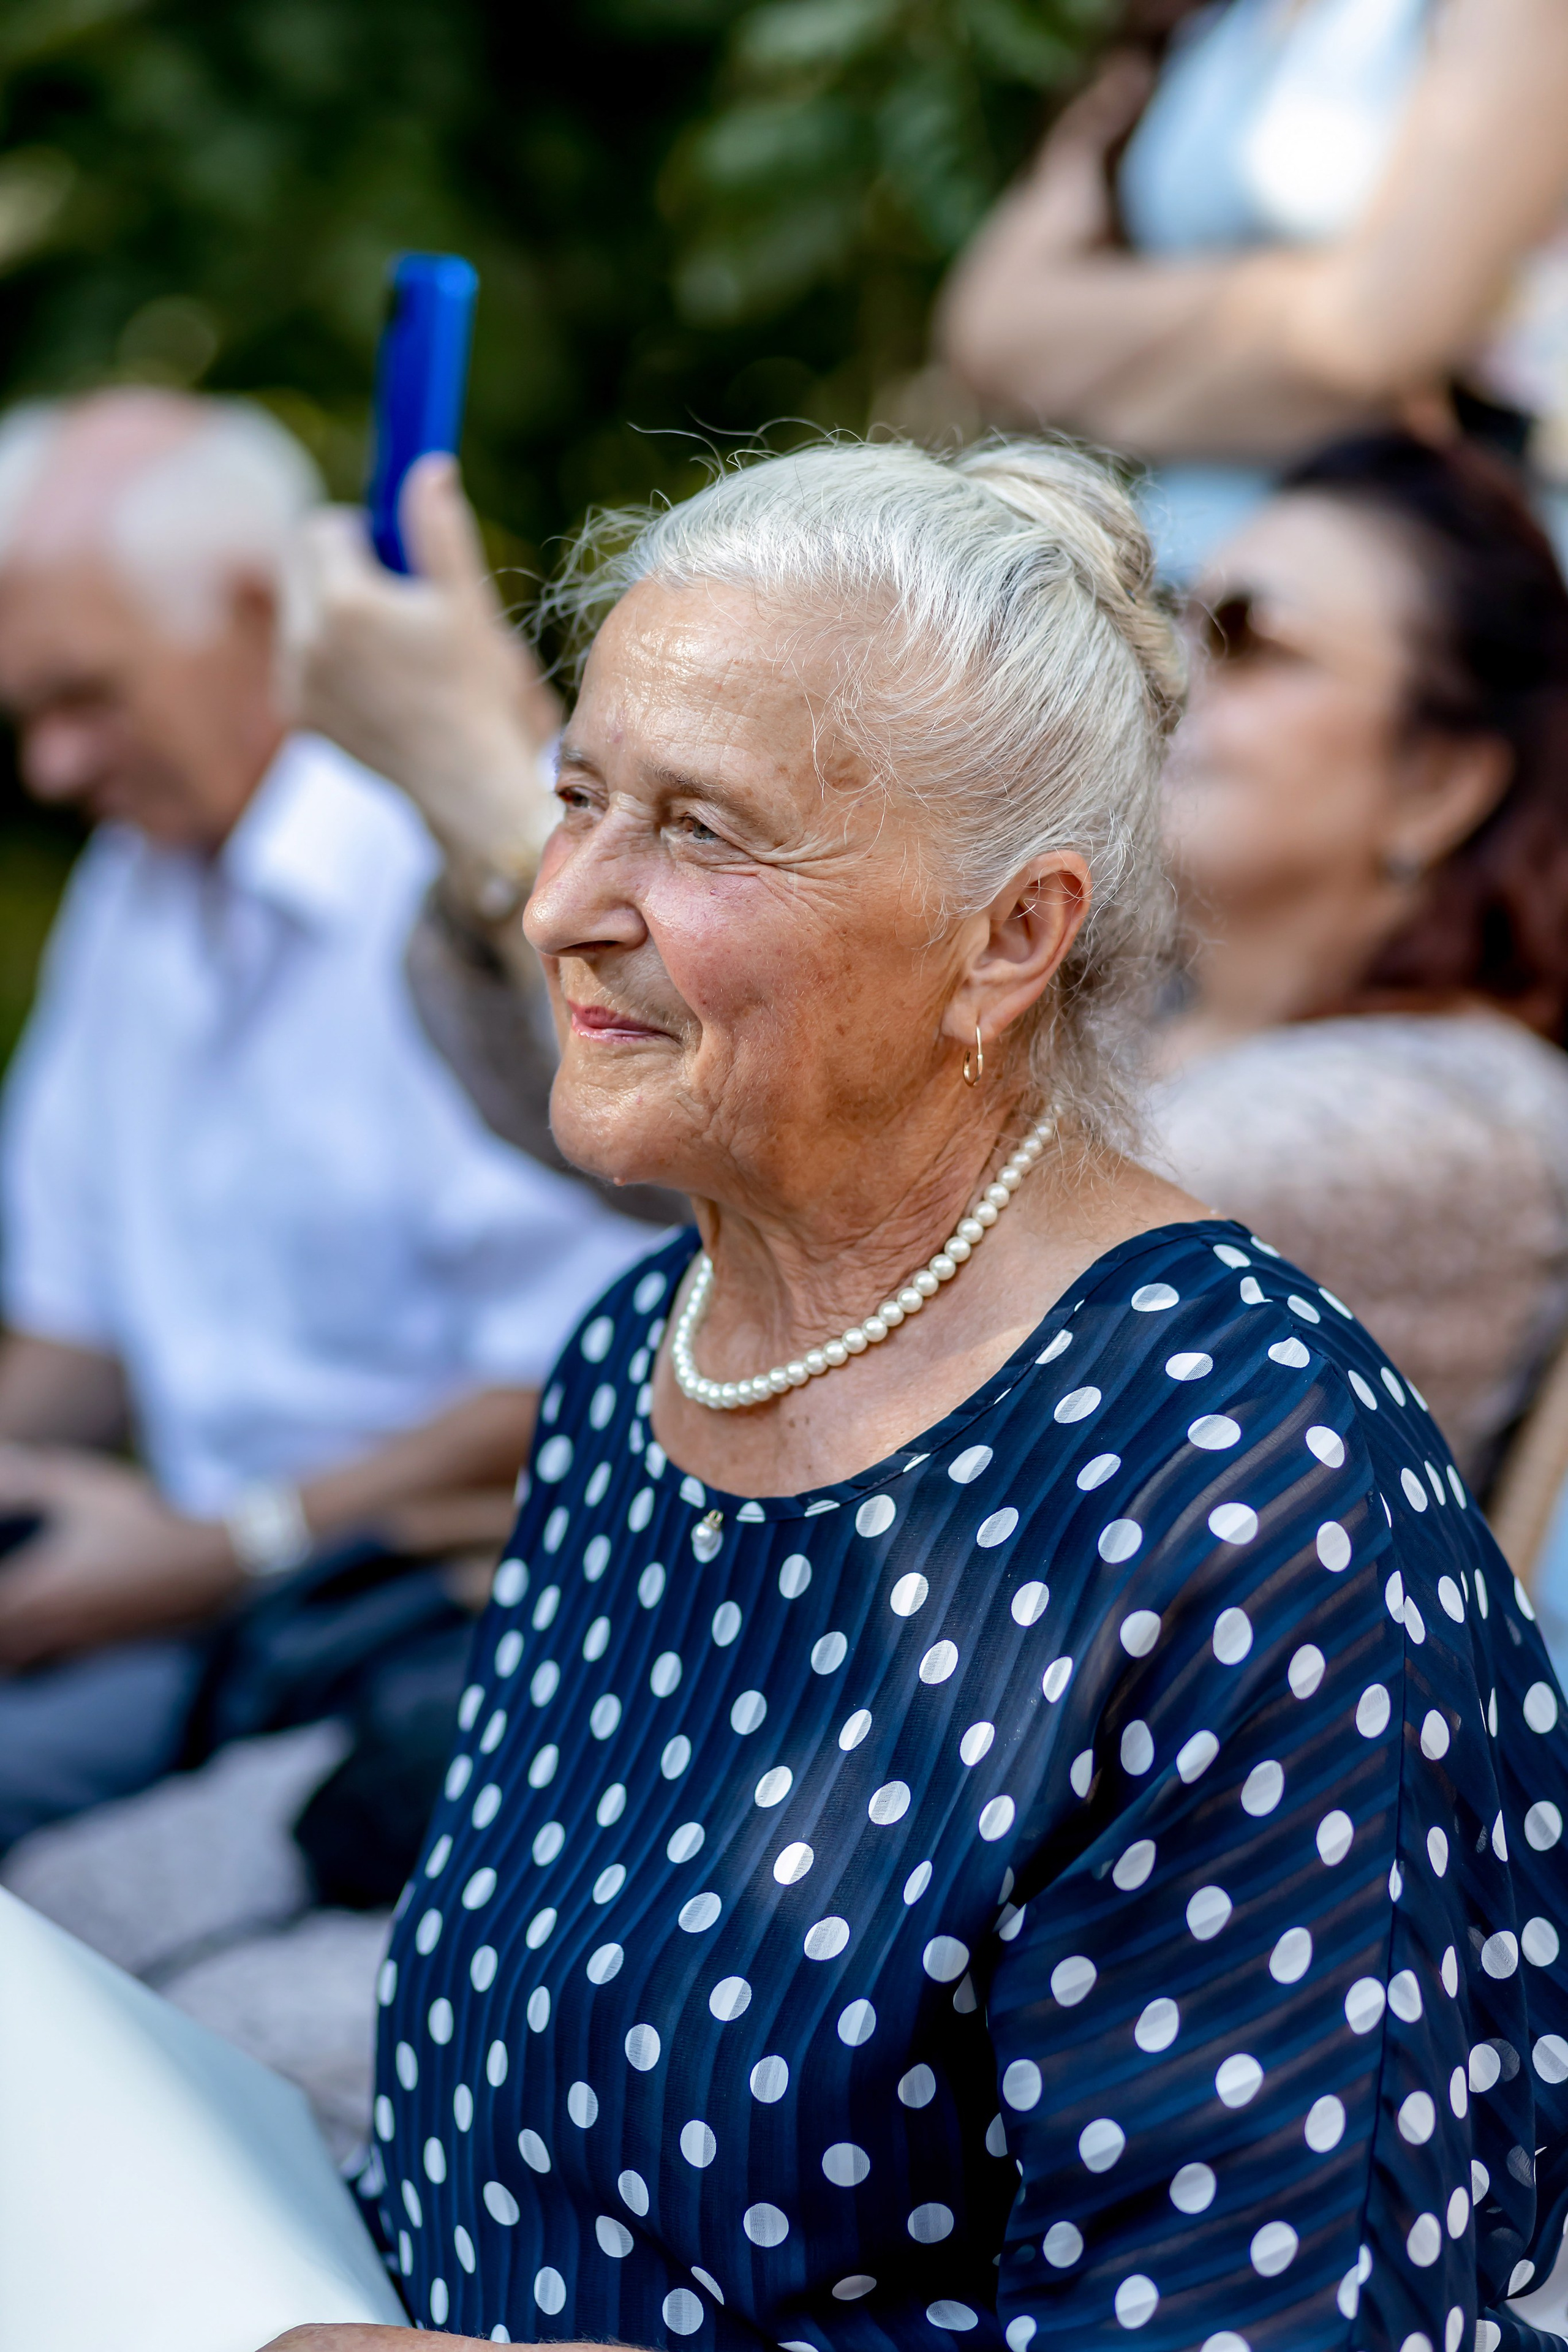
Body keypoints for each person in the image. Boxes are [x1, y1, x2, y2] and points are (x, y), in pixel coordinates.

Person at [258, 435, 1568, 2352]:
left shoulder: (1246, 1486)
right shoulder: (653, 1349)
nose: (556, 906)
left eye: (701, 829)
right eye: (575, 798)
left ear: (1011, 938)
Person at [0, 389, 660, 1848]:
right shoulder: (136, 884)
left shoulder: (474, 878)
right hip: (190, 1595)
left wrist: (225, 1546)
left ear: (256, 614)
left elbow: (597, 1359)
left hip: (420, 1610)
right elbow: (75, 1326)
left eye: (83, 696)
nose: (50, 767)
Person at [1150, 428, 1568, 1491]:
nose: (1165, 677)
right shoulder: (1153, 1016)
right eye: (1174, 618)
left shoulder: (1448, 1111)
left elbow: (915, 1226)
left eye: (1250, 640)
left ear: (1439, 784)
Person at [934, 0, 1568, 577]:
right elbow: (990, 323)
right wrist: (1299, 317)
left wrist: (1098, 381)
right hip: (1175, 580)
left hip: (1416, 599)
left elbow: (1378, 337)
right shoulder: (1190, 18)